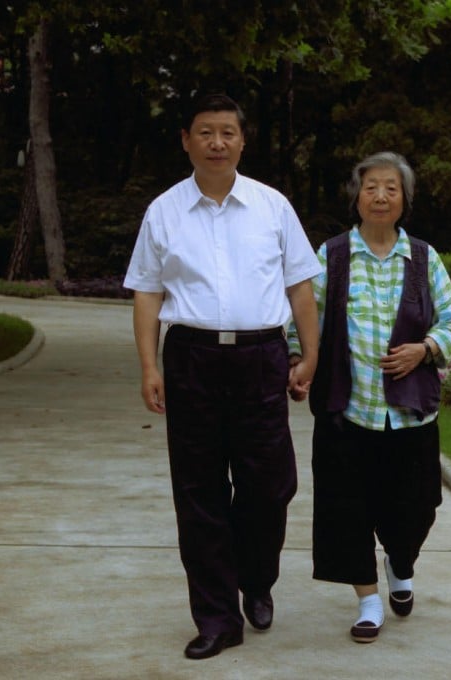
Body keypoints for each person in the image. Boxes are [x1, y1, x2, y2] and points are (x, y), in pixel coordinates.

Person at [123, 93, 321, 660]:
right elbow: (147, 292)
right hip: (191, 360)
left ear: (242, 140)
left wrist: (309, 355)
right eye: (205, 132)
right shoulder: (163, 211)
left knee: (271, 484)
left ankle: (255, 579)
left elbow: (300, 286)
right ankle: (216, 618)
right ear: (186, 139)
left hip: (261, 359)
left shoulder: (272, 206)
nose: (217, 142)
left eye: (227, 132)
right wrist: (148, 364)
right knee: (199, 492)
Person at [289, 151, 451, 643]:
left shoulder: (425, 257)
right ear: (357, 197)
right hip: (347, 410)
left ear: (404, 199)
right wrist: (299, 361)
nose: (381, 196)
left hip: (410, 416)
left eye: (391, 187)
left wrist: (425, 349)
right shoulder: (332, 255)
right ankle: (368, 600)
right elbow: (304, 318)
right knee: (346, 509)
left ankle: (400, 562)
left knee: (418, 506)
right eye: (371, 187)